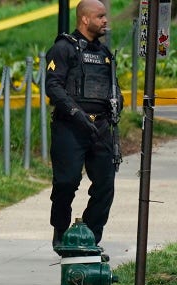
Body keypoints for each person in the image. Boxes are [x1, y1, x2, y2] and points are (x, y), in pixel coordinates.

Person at [45, 0, 123, 248]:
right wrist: (76, 113)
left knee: (105, 185)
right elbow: (53, 86)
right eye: (101, 16)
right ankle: (60, 230)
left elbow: (114, 88)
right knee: (66, 183)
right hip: (70, 126)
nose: (105, 21)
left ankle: (88, 237)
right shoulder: (63, 49)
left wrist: (117, 102)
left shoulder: (104, 54)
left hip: (100, 127)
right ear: (85, 19)